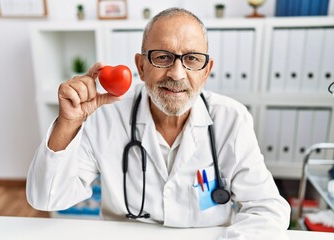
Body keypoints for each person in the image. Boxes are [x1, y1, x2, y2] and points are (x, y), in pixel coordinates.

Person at [26, 7, 290, 240]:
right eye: (162, 57)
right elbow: (47, 198)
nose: (176, 74)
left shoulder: (231, 119)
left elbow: (267, 209)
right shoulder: (106, 115)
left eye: (191, 59)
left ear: (206, 71)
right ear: (141, 67)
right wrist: (68, 123)